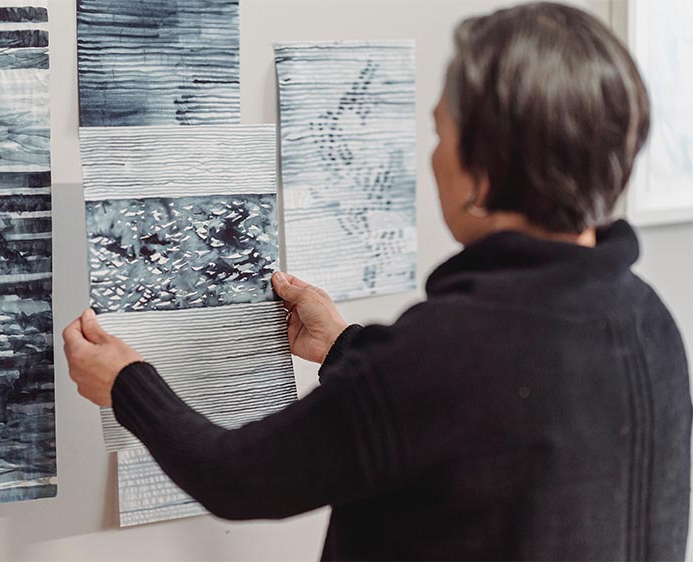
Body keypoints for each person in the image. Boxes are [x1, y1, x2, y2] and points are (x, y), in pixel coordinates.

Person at [63, 2, 692, 560]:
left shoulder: (450, 351)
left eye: (442, 133)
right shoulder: (648, 320)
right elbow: (469, 417)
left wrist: (126, 386)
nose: (431, 157)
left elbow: (238, 477)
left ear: (487, 172)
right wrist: (342, 346)